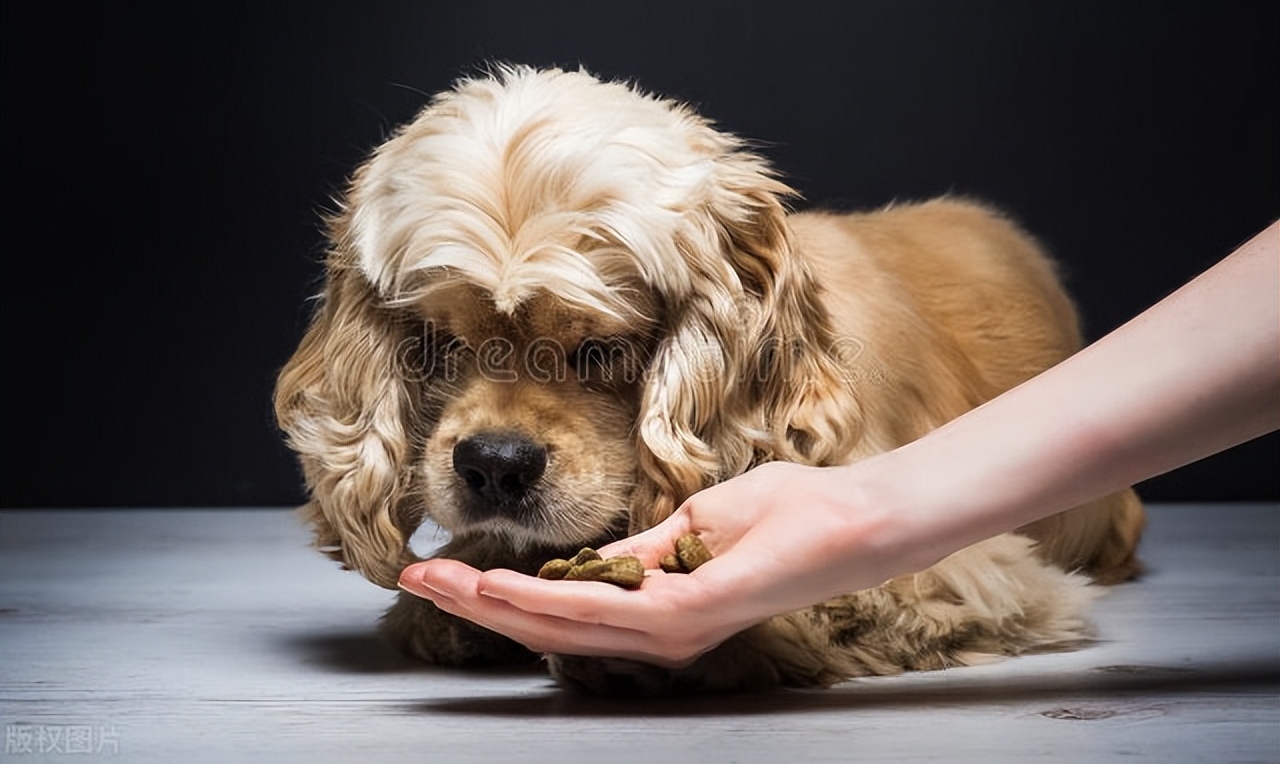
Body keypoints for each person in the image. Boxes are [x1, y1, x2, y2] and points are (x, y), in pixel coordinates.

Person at [399, 221, 1279, 668]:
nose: (495, 443)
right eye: (452, 346)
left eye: (596, 352)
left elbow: (1000, 585)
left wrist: (755, 637)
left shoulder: (801, 342)